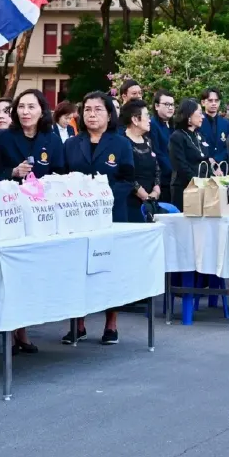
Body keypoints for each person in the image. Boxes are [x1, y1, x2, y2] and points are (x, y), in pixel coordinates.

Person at [63, 91, 136, 345]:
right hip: (78, 216)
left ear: (109, 114)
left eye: (98, 110)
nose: (92, 114)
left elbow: (128, 179)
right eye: (87, 110)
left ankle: (111, 323)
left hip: (111, 213)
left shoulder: (121, 143)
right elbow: (62, 178)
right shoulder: (72, 143)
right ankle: (78, 323)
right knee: (78, 269)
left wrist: (104, 196)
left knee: (109, 269)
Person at [0, 89, 66, 183]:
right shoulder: (4, 137)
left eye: (31, 107)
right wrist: (13, 172)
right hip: (11, 191)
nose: (25, 112)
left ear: (42, 112)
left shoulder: (53, 140)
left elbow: (59, 175)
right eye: (21, 106)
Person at [121, 99, 161, 222]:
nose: (150, 120)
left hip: (151, 201)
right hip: (131, 203)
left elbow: (156, 167)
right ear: (135, 119)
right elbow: (125, 174)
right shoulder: (122, 142)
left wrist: (156, 190)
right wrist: (144, 195)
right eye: (146, 116)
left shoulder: (148, 141)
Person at [168, 98, 210, 210]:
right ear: (189, 115)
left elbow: (206, 160)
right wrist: (197, 181)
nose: (202, 117)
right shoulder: (177, 136)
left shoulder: (199, 135)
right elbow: (180, 165)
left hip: (203, 187)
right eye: (199, 113)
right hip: (185, 188)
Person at [151, 90, 175, 202]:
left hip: (174, 178)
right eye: (166, 104)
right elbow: (157, 152)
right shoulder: (153, 124)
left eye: (172, 105)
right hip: (163, 178)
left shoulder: (172, 124)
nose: (170, 108)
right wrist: (174, 169)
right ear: (157, 106)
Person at [197, 87, 229, 164]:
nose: (214, 103)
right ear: (203, 102)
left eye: (216, 100)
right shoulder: (197, 122)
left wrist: (217, 159)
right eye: (210, 100)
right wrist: (208, 160)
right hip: (203, 165)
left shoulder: (226, 123)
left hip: (222, 165)